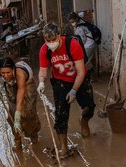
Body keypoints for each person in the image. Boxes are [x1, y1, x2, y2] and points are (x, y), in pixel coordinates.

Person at [37, 23, 95, 157]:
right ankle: (63, 147)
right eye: (48, 41)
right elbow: (43, 70)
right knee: (61, 115)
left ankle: (84, 121)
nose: (51, 43)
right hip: (60, 81)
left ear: (59, 35)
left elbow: (81, 72)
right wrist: (41, 82)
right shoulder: (45, 50)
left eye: (53, 40)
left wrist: (74, 90)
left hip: (80, 78)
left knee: (89, 106)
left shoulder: (72, 44)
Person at [0, 57, 41, 149]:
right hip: (11, 83)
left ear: (13, 69)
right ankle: (17, 141)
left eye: (8, 72)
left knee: (28, 112)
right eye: (3, 73)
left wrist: (18, 115)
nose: (5, 76)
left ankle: (33, 135)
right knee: (12, 114)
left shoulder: (20, 74)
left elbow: (20, 94)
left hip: (27, 84)